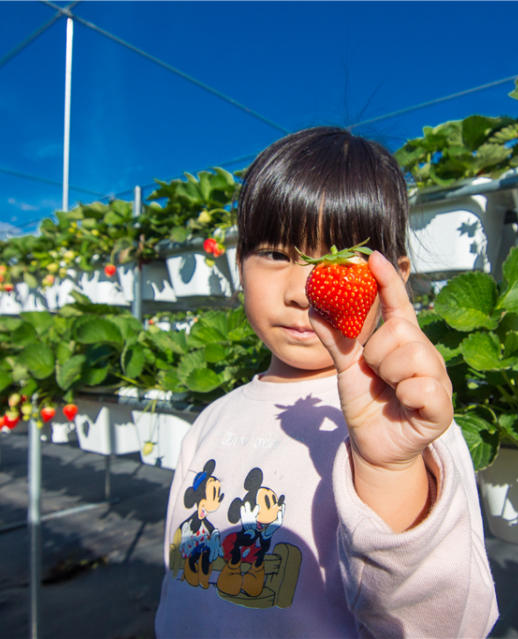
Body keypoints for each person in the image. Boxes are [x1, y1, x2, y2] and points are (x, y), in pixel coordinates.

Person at [155, 126, 498, 638]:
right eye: (274, 253)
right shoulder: (212, 419)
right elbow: (178, 575)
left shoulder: (404, 424)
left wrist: (391, 469)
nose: (302, 289)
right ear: (238, 266)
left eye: (340, 258)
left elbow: (447, 625)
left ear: (393, 278)